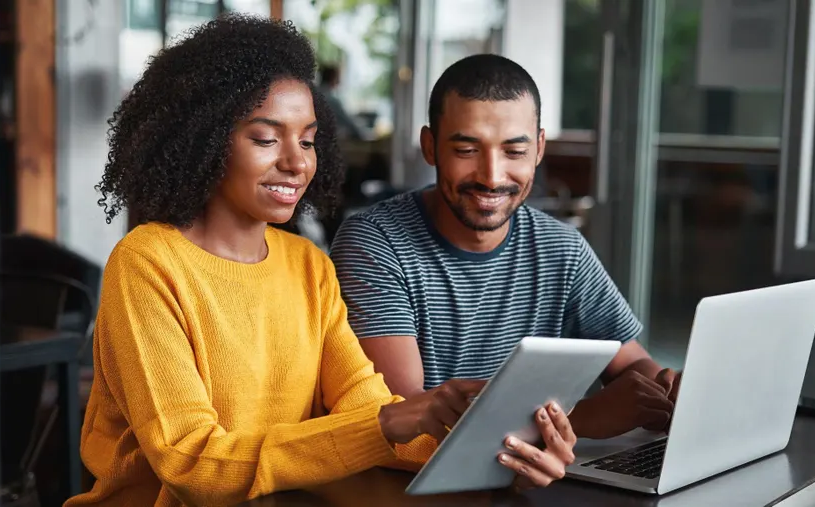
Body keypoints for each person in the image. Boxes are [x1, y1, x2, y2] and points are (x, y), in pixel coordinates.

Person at [65, 17, 577, 507]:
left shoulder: (308, 264)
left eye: (308, 140)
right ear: (203, 139)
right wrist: (389, 423)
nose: (297, 161)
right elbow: (194, 466)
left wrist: (501, 456)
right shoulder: (148, 263)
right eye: (266, 139)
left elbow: (361, 403)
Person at [330, 54, 681, 441]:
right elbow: (405, 417)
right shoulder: (375, 242)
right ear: (430, 147)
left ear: (540, 148)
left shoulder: (561, 248)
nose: (492, 177)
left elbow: (632, 363)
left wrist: (667, 389)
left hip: (533, 479)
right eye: (466, 150)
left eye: (514, 152)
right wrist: (579, 420)